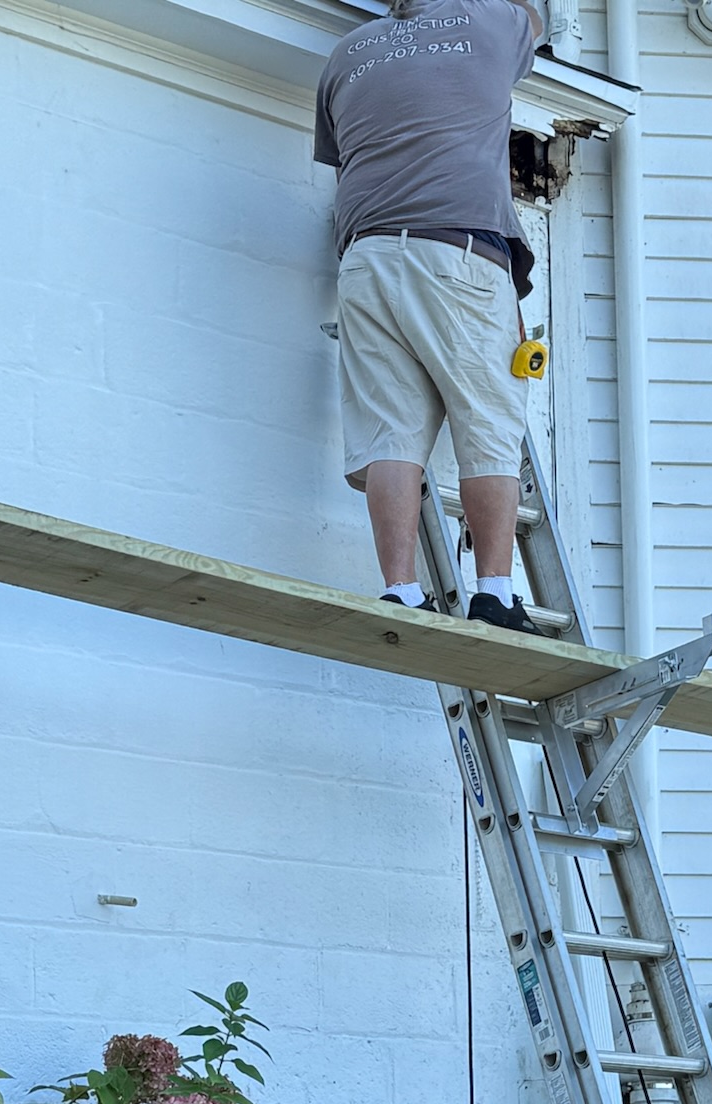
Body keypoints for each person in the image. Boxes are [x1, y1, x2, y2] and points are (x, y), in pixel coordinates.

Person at [314, 0, 546, 633]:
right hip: (458, 253)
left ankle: (400, 591)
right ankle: (494, 594)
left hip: (365, 260)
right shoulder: (491, 21)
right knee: (490, 425)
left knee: (390, 431)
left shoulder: (347, 54)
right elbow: (537, 16)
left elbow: (345, 162)